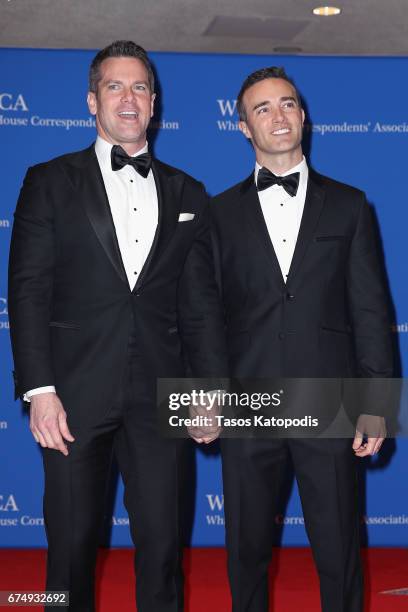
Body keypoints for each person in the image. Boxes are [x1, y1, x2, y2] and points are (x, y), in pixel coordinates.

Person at [8, 40, 227, 612]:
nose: (128, 99)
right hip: (73, 396)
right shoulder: (48, 181)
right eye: (114, 86)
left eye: (139, 88)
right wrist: (40, 391)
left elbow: (199, 304)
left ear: (154, 103)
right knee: (70, 547)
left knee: (161, 546)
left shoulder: (189, 192)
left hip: (163, 397)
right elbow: (27, 292)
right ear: (91, 101)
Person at [211, 67, 393, 612]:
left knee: (338, 550)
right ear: (243, 127)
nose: (278, 115)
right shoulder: (217, 214)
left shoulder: (350, 205)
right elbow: (204, 315)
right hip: (247, 403)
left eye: (286, 103)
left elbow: (370, 309)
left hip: (329, 405)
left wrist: (376, 404)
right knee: (245, 553)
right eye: (262, 108)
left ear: (304, 114)